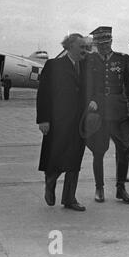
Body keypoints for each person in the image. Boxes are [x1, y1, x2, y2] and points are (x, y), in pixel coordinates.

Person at [84, 26, 129, 204]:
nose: (103, 47)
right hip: (98, 111)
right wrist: (89, 101)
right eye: (100, 44)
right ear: (96, 44)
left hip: (119, 110)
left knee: (124, 148)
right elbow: (84, 84)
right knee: (98, 151)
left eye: (106, 43)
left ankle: (121, 187)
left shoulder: (122, 59)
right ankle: (99, 188)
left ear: (111, 41)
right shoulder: (89, 60)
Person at [36, 33, 87, 211]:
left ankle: (69, 198)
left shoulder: (85, 66)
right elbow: (43, 93)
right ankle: (50, 182)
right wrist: (43, 119)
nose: (85, 50)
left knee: (75, 158)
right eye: (81, 46)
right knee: (56, 156)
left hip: (80, 121)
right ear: (70, 46)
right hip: (58, 121)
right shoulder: (53, 65)